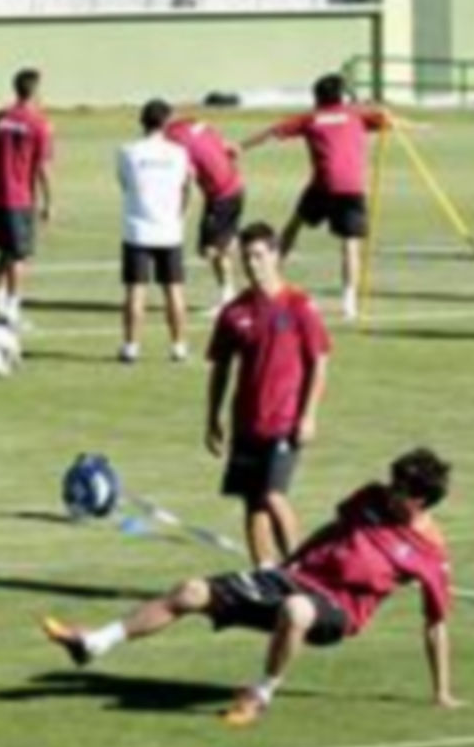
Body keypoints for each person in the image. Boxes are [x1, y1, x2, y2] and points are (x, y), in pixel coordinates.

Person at [44, 448, 460, 726]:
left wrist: (441, 691)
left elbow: (435, 623)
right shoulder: (371, 497)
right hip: (295, 578)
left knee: (296, 610)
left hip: (337, 612)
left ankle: (259, 694)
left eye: (400, 490)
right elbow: (334, 528)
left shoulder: (430, 551)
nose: (390, 491)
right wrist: (294, 558)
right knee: (190, 591)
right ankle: (94, 643)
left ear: (421, 501)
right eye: (391, 482)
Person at [206, 222, 330, 566]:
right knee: (251, 500)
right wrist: (212, 417)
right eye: (247, 257)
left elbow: (319, 363)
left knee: (274, 495)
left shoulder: (299, 306)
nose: (253, 264)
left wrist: (309, 415)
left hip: (285, 422)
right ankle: (265, 573)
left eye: (260, 255)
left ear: (276, 255)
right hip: (246, 422)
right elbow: (220, 368)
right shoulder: (234, 313)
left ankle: (301, 569)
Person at [241, 74, 390, 321]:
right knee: (350, 244)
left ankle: (270, 278)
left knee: (293, 226)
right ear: (342, 95)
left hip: (323, 185)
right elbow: (386, 120)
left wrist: (240, 146)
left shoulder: (311, 118)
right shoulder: (356, 114)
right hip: (351, 187)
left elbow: (272, 132)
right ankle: (349, 303)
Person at [117, 99, 191, 364]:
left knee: (136, 291)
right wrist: (178, 215)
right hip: (169, 230)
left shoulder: (127, 151)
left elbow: (125, 184)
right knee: (174, 290)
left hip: (138, 230)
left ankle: (131, 346)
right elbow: (185, 187)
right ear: (167, 123)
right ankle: (179, 345)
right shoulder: (179, 153)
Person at [0, 68, 53, 329]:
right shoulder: (38, 123)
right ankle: (12, 309)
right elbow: (44, 167)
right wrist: (49, 201)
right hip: (19, 197)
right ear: (35, 91)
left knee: (4, 253)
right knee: (19, 256)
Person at [165, 115, 244, 313]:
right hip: (236, 188)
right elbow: (232, 148)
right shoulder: (197, 125)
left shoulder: (175, 142)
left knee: (209, 251)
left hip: (221, 197)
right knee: (218, 246)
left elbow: (187, 181)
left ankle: (244, 249)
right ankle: (228, 295)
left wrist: (182, 213)